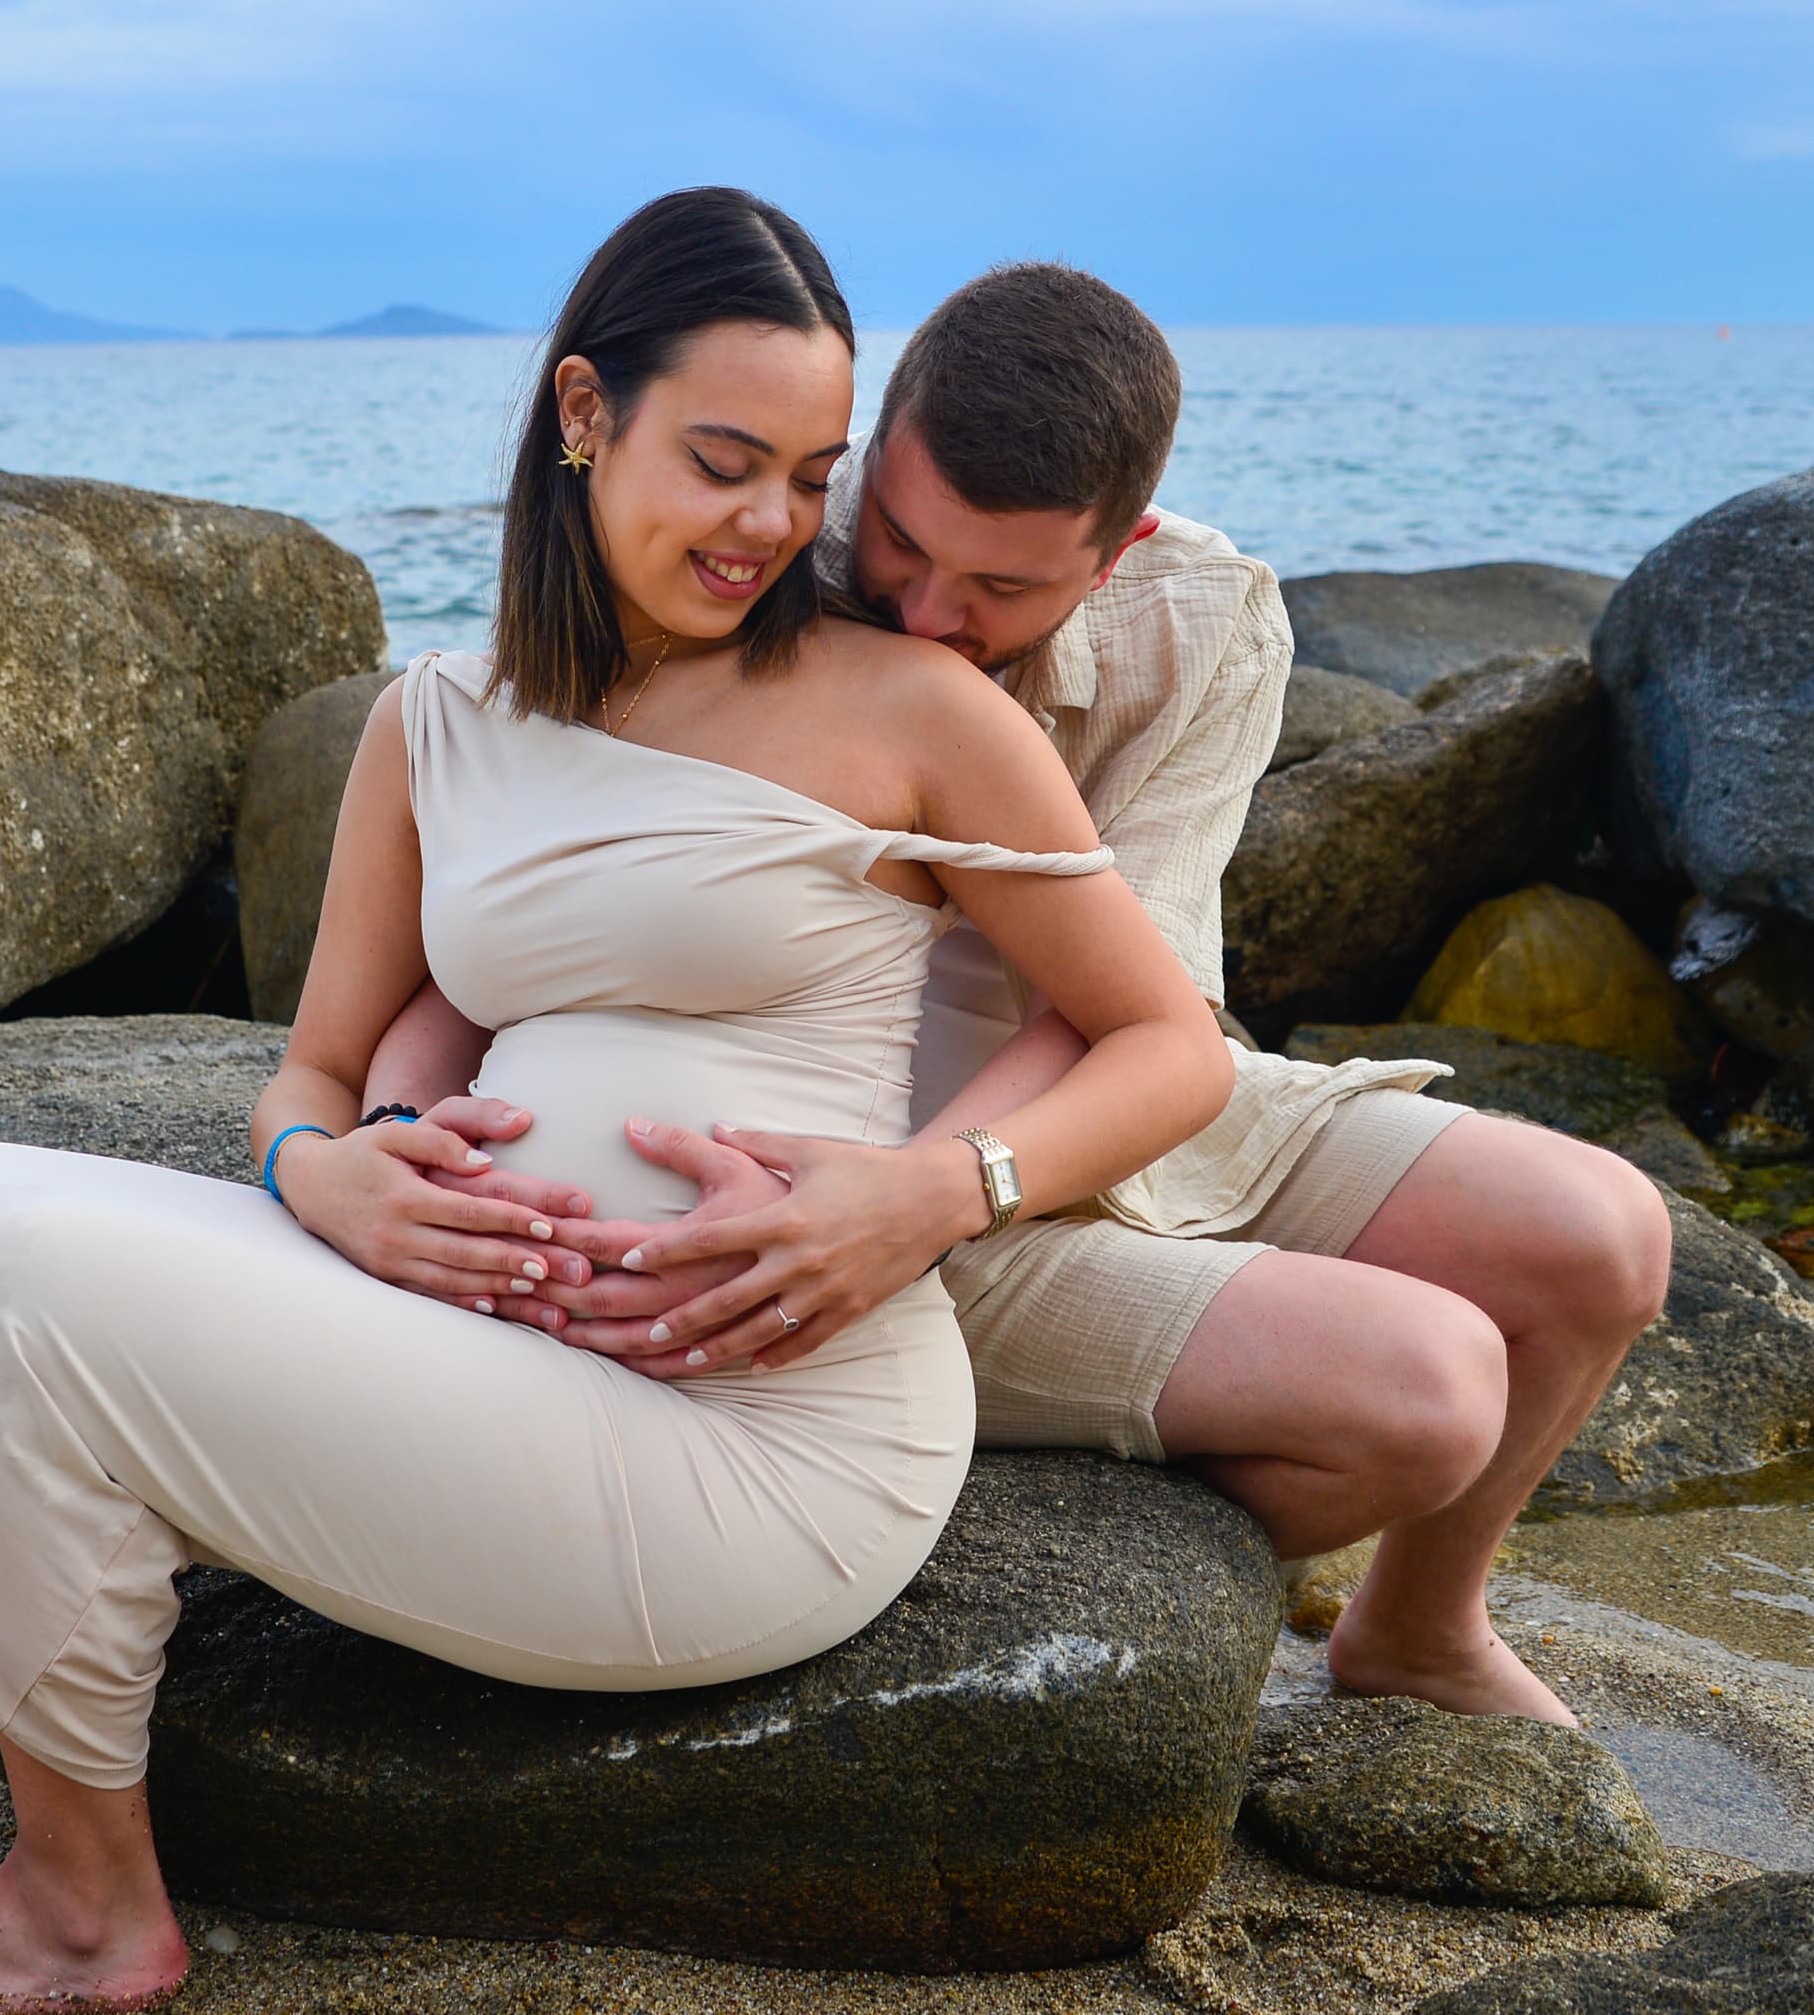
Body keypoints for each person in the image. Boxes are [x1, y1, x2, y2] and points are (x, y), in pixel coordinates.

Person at [0, 192, 1234, 2015]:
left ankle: (82, 1909)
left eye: (809, 478)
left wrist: (932, 1192)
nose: (772, 524)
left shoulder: (914, 708)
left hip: (758, 1436)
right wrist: (325, 1174)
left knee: (10, 1300)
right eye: (724, 461)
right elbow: (312, 1067)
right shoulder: (437, 721)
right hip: (475, 1353)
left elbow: (1167, 1042)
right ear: (585, 412)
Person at [370, 263, 1672, 1726]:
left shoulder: (1204, 617)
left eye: (1002, 589)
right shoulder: (758, 560)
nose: (929, 613)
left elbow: (1132, 1002)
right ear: (875, 451)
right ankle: (985, 1489)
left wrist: (943, 1190)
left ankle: (1419, 1629)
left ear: (1118, 553)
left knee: (1605, 1240)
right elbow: (521, 904)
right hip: (834, 1153)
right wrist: (378, 1138)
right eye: (900, 543)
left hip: (1086, 1102)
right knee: (1425, 1401)